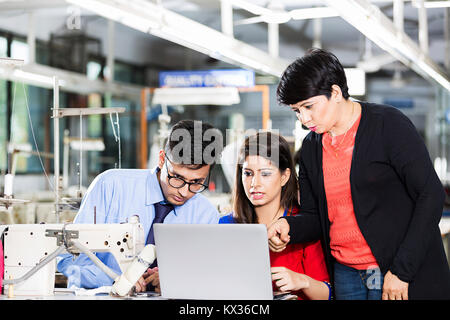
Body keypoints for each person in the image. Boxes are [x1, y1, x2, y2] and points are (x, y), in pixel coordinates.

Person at [267, 48, 450, 300]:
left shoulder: (388, 125)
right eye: (296, 110)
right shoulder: (311, 146)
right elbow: (315, 216)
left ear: (335, 92)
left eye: (309, 106)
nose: (303, 118)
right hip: (346, 272)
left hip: (394, 268)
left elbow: (430, 195)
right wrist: (288, 226)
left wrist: (402, 272)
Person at [57, 120, 223, 292]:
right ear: (161, 160)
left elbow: (205, 274)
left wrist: (176, 278)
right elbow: (69, 259)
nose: (184, 192)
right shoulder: (111, 187)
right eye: (177, 178)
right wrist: (116, 278)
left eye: (197, 182)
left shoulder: (205, 215)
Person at [219, 132, 330, 300]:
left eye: (265, 173)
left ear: (284, 176)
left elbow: (327, 294)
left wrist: (302, 281)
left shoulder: (303, 226)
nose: (254, 184)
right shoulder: (227, 224)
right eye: (248, 173)